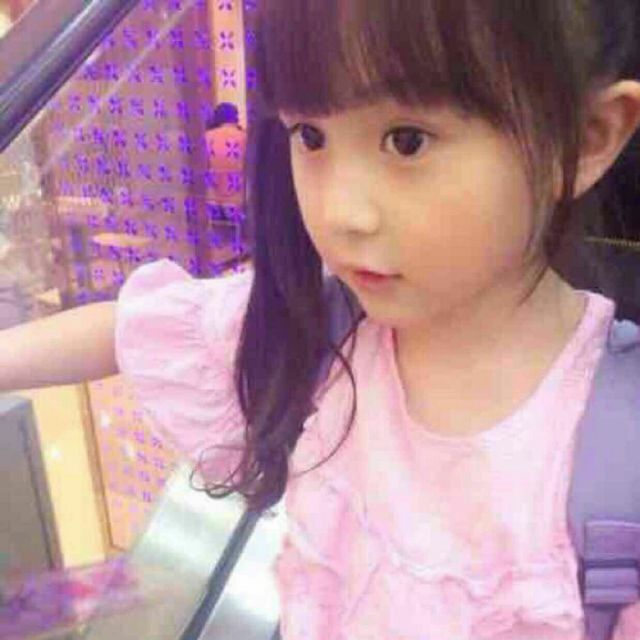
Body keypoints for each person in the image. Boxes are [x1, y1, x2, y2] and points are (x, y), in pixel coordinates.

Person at [2, 1, 640, 638]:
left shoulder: (615, 451)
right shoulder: (323, 332)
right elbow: (126, 331)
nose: (340, 212)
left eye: (407, 140)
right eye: (310, 136)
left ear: (586, 138)